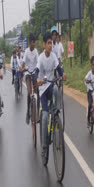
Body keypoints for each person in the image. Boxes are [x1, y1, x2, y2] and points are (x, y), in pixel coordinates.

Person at [36, 32, 67, 162]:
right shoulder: (41, 58)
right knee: (44, 116)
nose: (50, 45)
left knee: (55, 88)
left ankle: (56, 112)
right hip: (43, 89)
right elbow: (37, 72)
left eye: (51, 43)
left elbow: (58, 69)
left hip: (51, 85)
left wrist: (63, 74)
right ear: (44, 44)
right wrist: (37, 79)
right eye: (48, 43)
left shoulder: (54, 56)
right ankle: (44, 148)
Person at [21, 34, 39, 125]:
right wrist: (22, 68)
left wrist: (39, 70)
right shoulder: (26, 51)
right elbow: (23, 62)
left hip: (34, 73)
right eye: (32, 42)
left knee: (37, 90)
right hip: (28, 74)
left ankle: (38, 112)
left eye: (34, 42)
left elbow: (38, 62)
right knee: (29, 92)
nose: (34, 44)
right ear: (29, 43)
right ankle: (28, 112)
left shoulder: (36, 51)